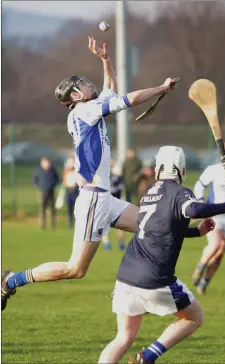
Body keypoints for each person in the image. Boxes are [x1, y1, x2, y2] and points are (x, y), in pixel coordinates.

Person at [1, 36, 178, 311]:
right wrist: (161, 88)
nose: (87, 83)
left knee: (151, 228)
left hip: (105, 198)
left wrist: (106, 60)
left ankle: (128, 283)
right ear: (74, 95)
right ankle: (11, 281)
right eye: (81, 84)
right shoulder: (85, 111)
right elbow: (126, 100)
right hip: (94, 200)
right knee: (76, 268)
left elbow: (110, 91)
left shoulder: (89, 110)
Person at [98, 146, 225, 364]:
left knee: (122, 338)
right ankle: (148, 357)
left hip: (125, 275)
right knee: (195, 318)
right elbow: (195, 211)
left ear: (157, 168)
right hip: (154, 277)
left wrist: (196, 232)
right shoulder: (180, 193)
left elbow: (162, 229)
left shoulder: (149, 193)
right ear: (181, 169)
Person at [192, 141, 225, 295]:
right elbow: (199, 185)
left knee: (220, 254)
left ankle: (204, 282)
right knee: (215, 245)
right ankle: (200, 267)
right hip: (215, 215)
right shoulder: (214, 170)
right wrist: (200, 201)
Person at [102, 160, 126, 251]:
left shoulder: (117, 177)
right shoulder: (104, 177)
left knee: (119, 226)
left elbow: (120, 190)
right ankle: (107, 244)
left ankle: (121, 243)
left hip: (115, 204)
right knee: (105, 225)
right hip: (107, 204)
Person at [33, 157, 60, 229]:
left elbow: (57, 179)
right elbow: (35, 180)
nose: (47, 164)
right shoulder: (38, 171)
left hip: (51, 191)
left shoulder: (53, 170)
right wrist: (40, 186)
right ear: (42, 163)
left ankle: (53, 224)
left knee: (52, 208)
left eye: (48, 162)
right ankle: (43, 224)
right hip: (43, 192)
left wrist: (53, 185)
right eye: (45, 162)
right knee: (43, 208)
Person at [56, 156, 79, 228]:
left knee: (77, 209)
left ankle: (77, 224)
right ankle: (70, 224)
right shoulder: (65, 172)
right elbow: (63, 182)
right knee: (69, 208)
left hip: (76, 191)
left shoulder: (78, 171)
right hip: (69, 191)